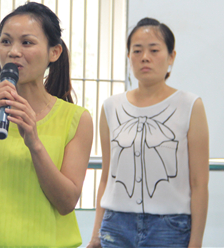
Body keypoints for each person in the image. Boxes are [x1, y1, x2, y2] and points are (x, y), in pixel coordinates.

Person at [0, 2, 93, 247]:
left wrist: (34, 143)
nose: (13, 51)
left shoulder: (76, 119)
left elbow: (67, 202)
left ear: (54, 52)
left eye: (27, 42)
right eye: (6, 41)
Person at [88, 17, 210, 248]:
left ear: (171, 56)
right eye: (137, 51)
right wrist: (96, 234)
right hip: (116, 225)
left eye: (154, 50)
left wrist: (196, 242)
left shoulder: (190, 105)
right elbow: (106, 178)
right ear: (128, 56)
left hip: (170, 227)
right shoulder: (111, 106)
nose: (145, 57)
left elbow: (199, 183)